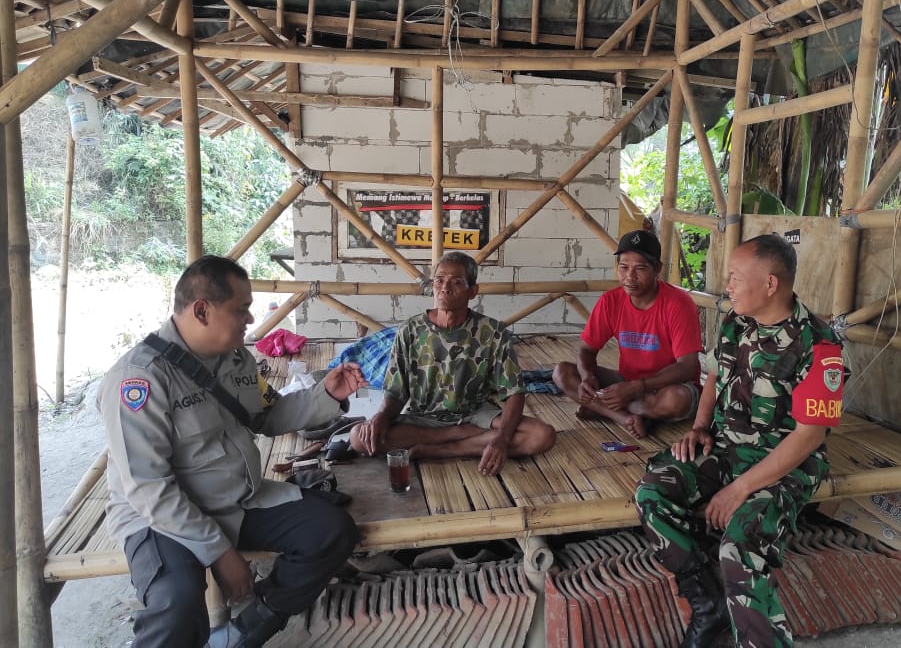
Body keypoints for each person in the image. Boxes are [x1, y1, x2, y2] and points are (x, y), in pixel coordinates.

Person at [98, 255, 367, 648]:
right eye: (241, 310)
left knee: (331, 531)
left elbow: (268, 417)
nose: (249, 319)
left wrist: (326, 395)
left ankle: (247, 630)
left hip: (237, 500)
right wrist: (220, 552)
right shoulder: (139, 379)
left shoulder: (237, 359)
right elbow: (149, 488)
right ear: (203, 311)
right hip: (160, 517)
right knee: (175, 602)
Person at [634, 234, 845, 648]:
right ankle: (706, 604)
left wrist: (739, 490)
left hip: (784, 465)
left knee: (739, 547)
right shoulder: (736, 322)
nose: (726, 285)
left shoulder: (818, 344)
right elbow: (713, 377)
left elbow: (808, 437)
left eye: (734, 277)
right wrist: (698, 426)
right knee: (653, 493)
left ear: (770, 284)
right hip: (728, 448)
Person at [351, 251, 556, 476]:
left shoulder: (492, 332)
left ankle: (443, 450)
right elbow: (396, 392)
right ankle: (458, 437)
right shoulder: (410, 330)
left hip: (476, 415)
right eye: (439, 280)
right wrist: (380, 417)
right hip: (424, 419)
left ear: (473, 291)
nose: (445, 288)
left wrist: (502, 438)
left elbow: (514, 393)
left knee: (541, 435)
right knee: (358, 437)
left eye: (456, 282)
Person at [553, 229, 703, 438]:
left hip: (667, 386)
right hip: (626, 380)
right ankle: (624, 417)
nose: (629, 277)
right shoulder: (610, 301)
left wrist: (634, 388)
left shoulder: (678, 303)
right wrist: (587, 378)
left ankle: (603, 409)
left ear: (657, 269)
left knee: (675, 400)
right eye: (623, 268)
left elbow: (687, 367)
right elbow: (587, 350)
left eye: (639, 268)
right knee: (562, 372)